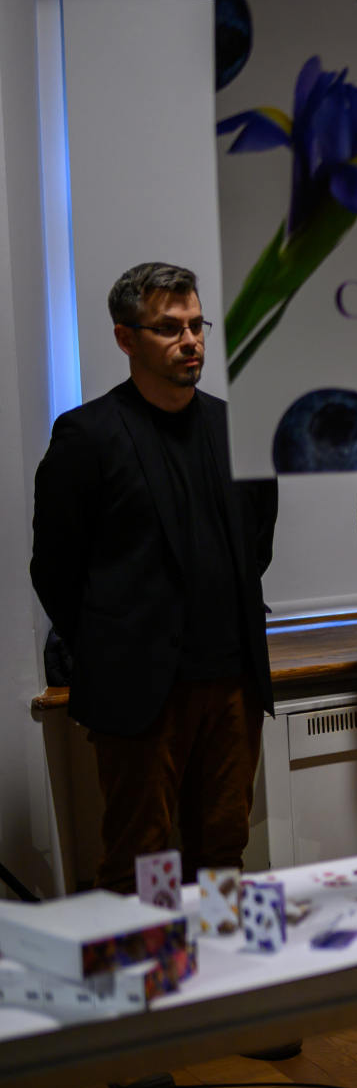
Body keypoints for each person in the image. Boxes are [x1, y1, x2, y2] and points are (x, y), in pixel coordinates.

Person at [31, 262, 280, 896]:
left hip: (232, 682)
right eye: (169, 328)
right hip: (139, 690)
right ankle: (143, 964)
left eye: (197, 325)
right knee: (141, 864)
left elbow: (256, 545)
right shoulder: (87, 436)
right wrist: (109, 648)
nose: (190, 341)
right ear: (126, 338)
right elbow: (54, 569)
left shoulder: (236, 428)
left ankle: (217, 960)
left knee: (222, 852)